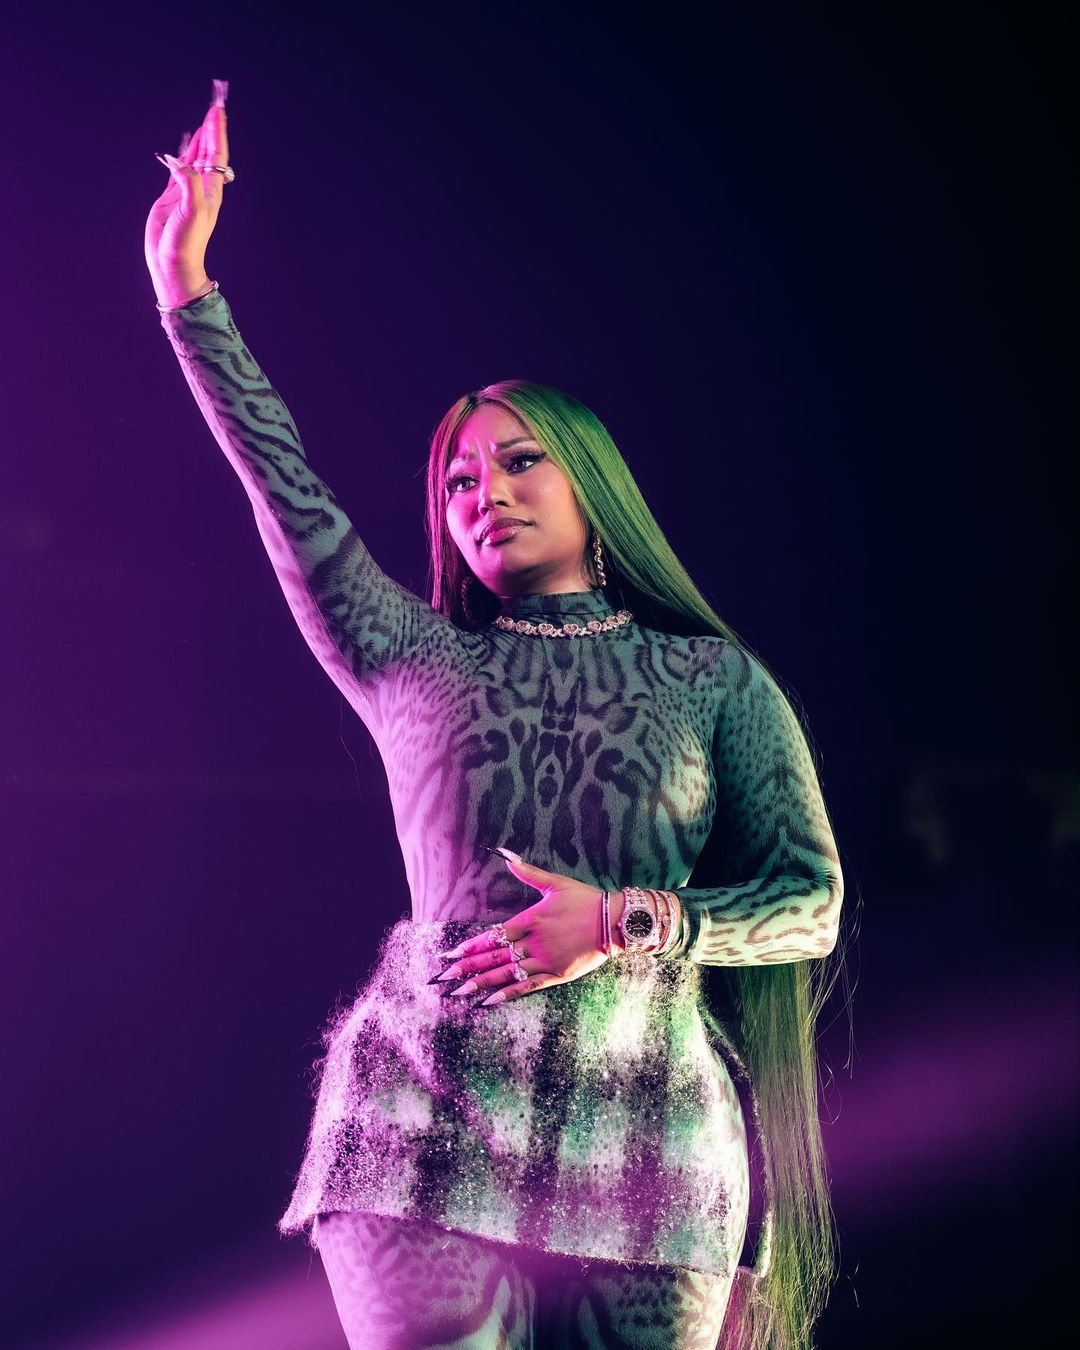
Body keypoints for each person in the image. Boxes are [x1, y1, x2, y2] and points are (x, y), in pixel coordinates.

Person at [145, 84, 845, 1350]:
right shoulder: (409, 655)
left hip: (649, 1132)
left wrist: (629, 922)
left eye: (520, 460)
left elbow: (811, 902)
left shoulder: (712, 681)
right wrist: (186, 290)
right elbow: (286, 489)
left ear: (594, 486)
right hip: (420, 1116)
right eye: (459, 479)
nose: (486, 491)